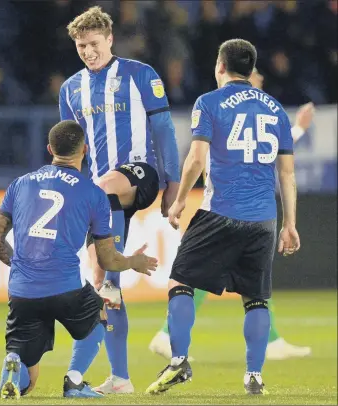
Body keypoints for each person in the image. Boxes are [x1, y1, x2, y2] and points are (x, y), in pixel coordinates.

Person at [146, 39, 300, 396]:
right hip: (264, 219)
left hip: (220, 213)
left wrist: (179, 201)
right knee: (256, 298)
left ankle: (178, 360)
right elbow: (287, 174)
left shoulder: (209, 102)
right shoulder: (276, 109)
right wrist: (290, 224)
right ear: (251, 69)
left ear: (220, 66)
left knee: (181, 282)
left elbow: (197, 159)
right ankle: (254, 376)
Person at [0, 120, 158, 400]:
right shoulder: (94, 193)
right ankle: (74, 380)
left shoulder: (19, 184)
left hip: (22, 291)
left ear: (50, 149)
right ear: (85, 150)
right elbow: (107, 260)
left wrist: (22, 265)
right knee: (101, 310)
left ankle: (14, 361)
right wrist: (133, 262)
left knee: (29, 383)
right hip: (65, 287)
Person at [59, 6, 180, 394]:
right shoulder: (70, 89)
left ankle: (110, 278)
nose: (88, 52)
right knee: (102, 290)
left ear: (110, 39)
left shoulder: (140, 75)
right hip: (99, 194)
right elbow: (72, 152)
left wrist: (173, 186)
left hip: (139, 173)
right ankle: (121, 378)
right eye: (81, 46)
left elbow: (163, 131)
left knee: (108, 187)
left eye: (94, 44)